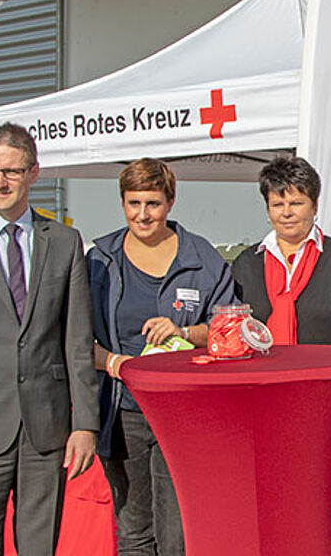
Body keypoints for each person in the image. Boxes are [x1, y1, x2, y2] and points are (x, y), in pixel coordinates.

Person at [0, 123, 98, 555]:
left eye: (11, 171)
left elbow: (77, 341)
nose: (0, 181)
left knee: (39, 547)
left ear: (33, 173)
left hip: (45, 431)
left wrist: (85, 423)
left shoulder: (64, 242)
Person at [231, 155, 331, 556]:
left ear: (314, 205)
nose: (286, 212)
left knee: (322, 513)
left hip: (321, 407)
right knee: (269, 510)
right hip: (261, 407)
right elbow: (230, 330)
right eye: (277, 204)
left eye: (296, 202)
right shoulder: (247, 263)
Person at [87, 158, 235, 555]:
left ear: (170, 202)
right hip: (124, 413)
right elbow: (75, 339)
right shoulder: (100, 260)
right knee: (134, 532)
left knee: (178, 535)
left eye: (152, 203)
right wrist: (117, 364)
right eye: (133, 203)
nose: (142, 214)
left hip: (182, 413)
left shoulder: (202, 257)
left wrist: (184, 332)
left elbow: (228, 329)